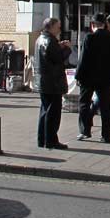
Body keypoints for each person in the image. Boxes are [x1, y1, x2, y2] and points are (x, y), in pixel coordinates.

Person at [75, 13, 110, 143]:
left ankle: (85, 131)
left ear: (92, 25)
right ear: (104, 24)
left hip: (88, 77)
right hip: (105, 78)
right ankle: (106, 135)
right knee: (106, 106)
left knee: (84, 103)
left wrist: (78, 75)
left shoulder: (89, 37)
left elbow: (83, 59)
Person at [33, 17, 72, 150]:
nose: (60, 29)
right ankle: (51, 140)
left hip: (43, 81)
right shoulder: (49, 41)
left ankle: (42, 139)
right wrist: (67, 49)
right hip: (52, 82)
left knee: (45, 110)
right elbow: (58, 58)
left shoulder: (40, 39)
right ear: (50, 27)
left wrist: (59, 46)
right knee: (53, 113)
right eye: (58, 26)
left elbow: (50, 54)